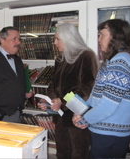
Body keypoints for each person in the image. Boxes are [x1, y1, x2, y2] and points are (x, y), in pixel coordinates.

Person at [72, 19, 130, 158]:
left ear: (115, 37)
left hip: (110, 133)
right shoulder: (113, 61)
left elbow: (108, 105)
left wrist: (85, 119)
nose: (98, 39)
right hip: (105, 129)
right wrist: (81, 113)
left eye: (101, 35)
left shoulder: (120, 62)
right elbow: (96, 95)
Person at [38, 22, 98, 159]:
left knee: (78, 152)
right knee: (62, 152)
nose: (54, 42)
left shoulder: (86, 56)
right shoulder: (60, 58)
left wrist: (62, 100)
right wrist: (50, 101)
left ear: (68, 39)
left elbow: (87, 87)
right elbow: (53, 83)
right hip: (60, 115)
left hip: (77, 114)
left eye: (58, 39)